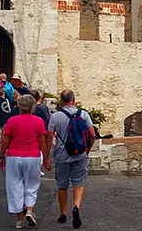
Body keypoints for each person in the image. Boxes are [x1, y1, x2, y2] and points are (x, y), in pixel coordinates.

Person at [1, 94, 50, 228]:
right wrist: (46, 158)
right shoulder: (39, 121)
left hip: (14, 155)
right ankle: (29, 208)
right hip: (32, 155)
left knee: (14, 184)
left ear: (19, 106)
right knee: (32, 184)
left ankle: (19, 219)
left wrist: (1, 156)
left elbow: (5, 141)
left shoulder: (12, 121)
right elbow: (42, 142)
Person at [47, 90, 94, 228]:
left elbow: (49, 137)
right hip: (79, 153)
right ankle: (76, 207)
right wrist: (87, 149)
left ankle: (63, 214)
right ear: (74, 100)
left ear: (61, 101)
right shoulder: (83, 114)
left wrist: (46, 156)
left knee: (62, 185)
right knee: (79, 182)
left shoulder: (55, 116)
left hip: (62, 154)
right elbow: (92, 135)